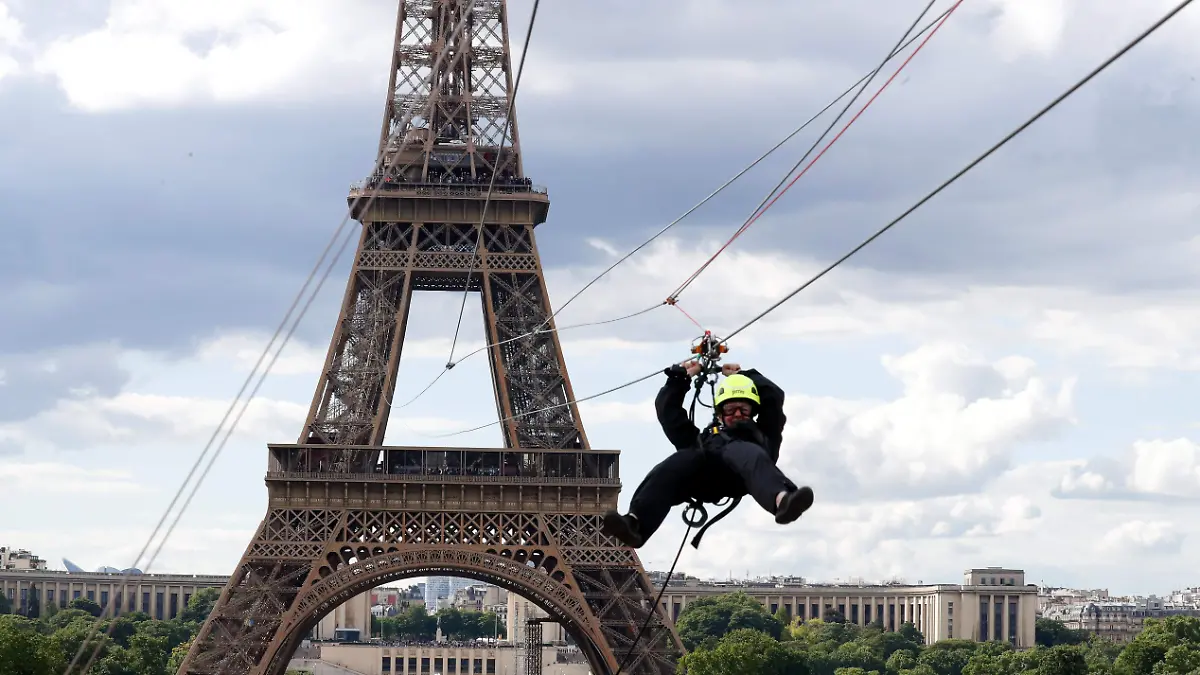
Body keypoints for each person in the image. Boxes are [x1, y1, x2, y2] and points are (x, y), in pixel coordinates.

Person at [601, 360, 815, 548]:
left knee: (744, 451)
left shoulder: (764, 435)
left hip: (741, 476)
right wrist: (680, 379)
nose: (737, 414)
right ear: (720, 414)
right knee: (676, 462)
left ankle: (782, 501)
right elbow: (668, 413)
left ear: (753, 412)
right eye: (730, 410)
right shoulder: (700, 441)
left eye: (744, 410)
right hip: (701, 478)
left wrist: (743, 376)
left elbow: (773, 397)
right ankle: (636, 523)